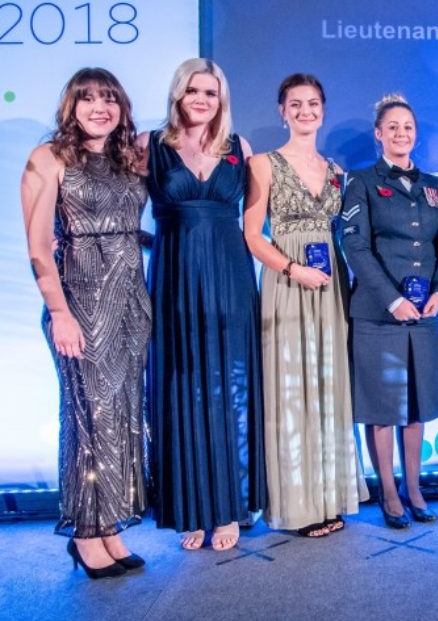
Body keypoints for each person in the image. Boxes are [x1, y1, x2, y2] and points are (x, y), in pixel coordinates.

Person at [21, 68, 149, 578]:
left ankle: (110, 527)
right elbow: (37, 247)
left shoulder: (128, 160)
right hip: (79, 304)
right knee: (87, 419)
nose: (100, 107)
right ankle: (84, 534)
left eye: (109, 99)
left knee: (120, 418)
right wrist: (59, 312)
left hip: (131, 305)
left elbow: (125, 228)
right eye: (89, 99)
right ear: (71, 105)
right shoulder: (47, 157)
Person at [143, 58, 266, 550]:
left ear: (222, 100)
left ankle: (231, 506)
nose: (201, 99)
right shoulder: (148, 147)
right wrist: (168, 246)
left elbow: (255, 225)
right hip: (173, 279)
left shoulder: (240, 149)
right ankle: (192, 505)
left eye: (211, 93)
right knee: (183, 389)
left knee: (229, 391)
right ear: (178, 94)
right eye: (193, 90)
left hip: (231, 280)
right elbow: (116, 214)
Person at [244, 73, 368, 537]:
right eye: (295, 104)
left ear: (323, 109)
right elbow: (252, 235)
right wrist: (294, 270)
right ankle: (297, 505)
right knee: (291, 389)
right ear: (282, 110)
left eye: (313, 103)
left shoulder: (336, 170)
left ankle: (330, 496)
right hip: (287, 281)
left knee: (328, 386)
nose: (305, 111)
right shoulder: (263, 165)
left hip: (330, 283)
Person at [341, 94, 438, 529]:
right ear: (378, 134)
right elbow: (355, 245)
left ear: (415, 133)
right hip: (378, 313)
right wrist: (393, 298)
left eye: (407, 126)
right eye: (392, 127)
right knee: (383, 408)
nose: (400, 133)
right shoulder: (361, 182)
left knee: (418, 405)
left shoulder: (434, 186)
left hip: (425, 314)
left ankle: (415, 486)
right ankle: (388, 492)